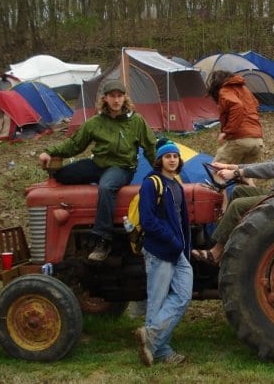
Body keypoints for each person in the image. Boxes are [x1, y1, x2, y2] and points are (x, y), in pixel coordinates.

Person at [38, 79, 157, 261]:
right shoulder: (95, 122)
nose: (116, 100)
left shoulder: (136, 121)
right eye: (112, 96)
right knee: (63, 175)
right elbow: (75, 144)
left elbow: (150, 147)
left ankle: (103, 240)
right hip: (99, 164)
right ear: (105, 99)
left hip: (122, 167)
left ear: (125, 98)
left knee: (106, 186)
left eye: (120, 96)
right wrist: (50, 152)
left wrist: (161, 169)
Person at [190, 112, 274, 265]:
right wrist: (231, 166)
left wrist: (236, 173)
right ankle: (232, 240)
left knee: (237, 206)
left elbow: (272, 169)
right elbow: (266, 163)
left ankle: (216, 252)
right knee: (238, 191)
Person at [135, 139, 192, 366]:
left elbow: (181, 221)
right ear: (160, 160)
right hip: (159, 250)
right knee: (157, 302)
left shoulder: (176, 184)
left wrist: (184, 247)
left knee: (183, 295)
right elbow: (147, 220)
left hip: (177, 252)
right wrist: (171, 239)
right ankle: (161, 351)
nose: (172, 159)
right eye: (168, 156)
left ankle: (151, 338)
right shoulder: (151, 183)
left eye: (175, 156)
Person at [207, 70, 264, 168]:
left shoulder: (225, 90)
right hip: (257, 141)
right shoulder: (244, 89)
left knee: (217, 169)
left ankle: (216, 183)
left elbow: (237, 106)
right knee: (243, 175)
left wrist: (227, 131)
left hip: (240, 140)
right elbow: (256, 104)